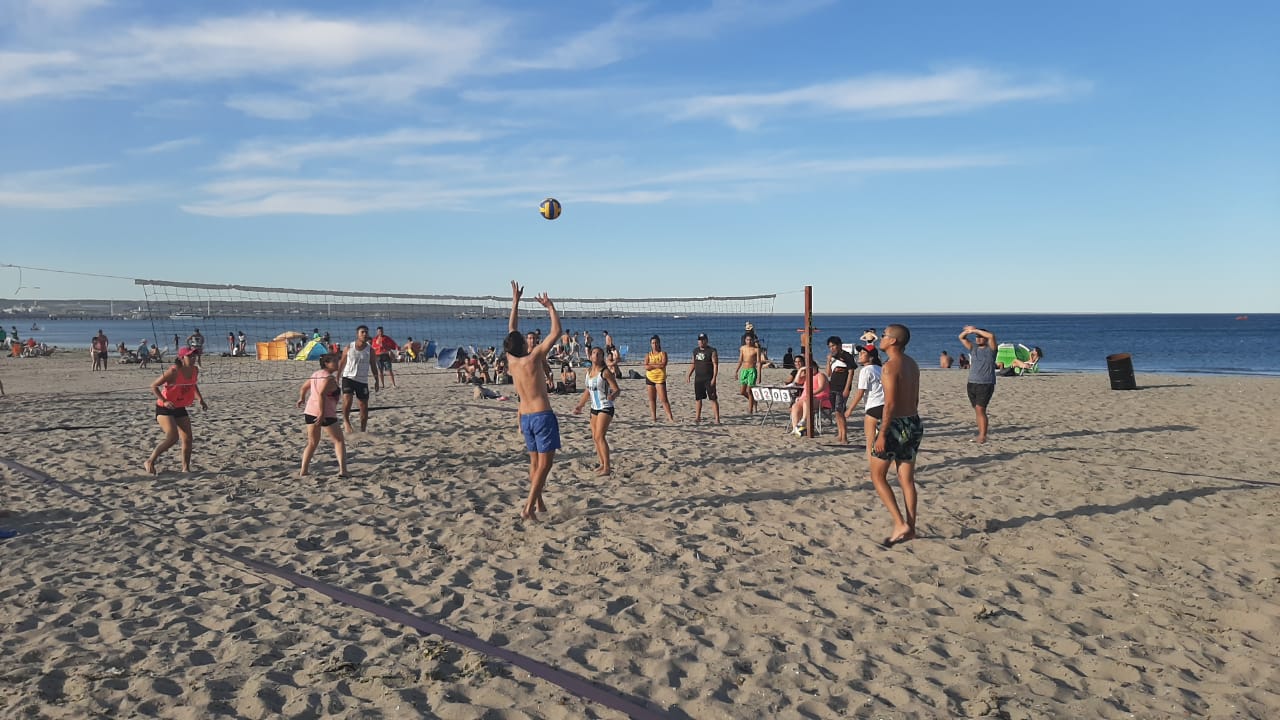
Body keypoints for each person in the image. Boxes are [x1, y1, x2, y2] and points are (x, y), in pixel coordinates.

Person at [505, 281, 562, 521]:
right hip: (541, 416)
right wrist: (550, 307)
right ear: (524, 344)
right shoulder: (534, 358)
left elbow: (511, 329)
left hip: (525, 417)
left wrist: (515, 301)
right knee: (545, 466)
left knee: (534, 462)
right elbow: (556, 333)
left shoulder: (511, 361)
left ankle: (538, 504)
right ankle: (528, 507)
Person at [870, 324, 923, 547]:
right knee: (906, 479)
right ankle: (911, 527)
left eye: (883, 335)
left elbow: (889, 404)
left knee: (877, 476)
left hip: (894, 424)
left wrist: (882, 433)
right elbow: (915, 398)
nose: (880, 338)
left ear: (893, 341)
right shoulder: (912, 363)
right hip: (913, 421)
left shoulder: (890, 366)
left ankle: (900, 523)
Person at [144, 346, 208, 474]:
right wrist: (165, 401)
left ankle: (186, 469)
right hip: (164, 408)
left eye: (194, 355)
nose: (193, 358)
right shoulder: (173, 371)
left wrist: (200, 399)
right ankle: (150, 460)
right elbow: (154, 386)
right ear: (182, 358)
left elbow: (193, 384)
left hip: (179, 407)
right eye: (189, 356)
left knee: (188, 438)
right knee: (173, 437)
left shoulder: (195, 370)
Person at [297, 353, 348, 478]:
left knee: (312, 443)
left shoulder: (316, 374)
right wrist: (322, 413)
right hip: (325, 414)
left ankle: (304, 470)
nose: (337, 363)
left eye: (337, 360)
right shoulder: (329, 378)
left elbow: (304, 388)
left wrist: (302, 399)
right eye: (334, 361)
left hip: (309, 412)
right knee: (339, 440)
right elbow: (321, 394)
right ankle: (343, 471)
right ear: (326, 363)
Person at [573, 346, 621, 476]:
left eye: (599, 354)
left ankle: (607, 467)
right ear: (590, 356)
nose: (596, 355)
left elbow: (617, 389)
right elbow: (587, 391)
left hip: (605, 407)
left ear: (602, 358)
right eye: (594, 353)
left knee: (600, 436)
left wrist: (613, 395)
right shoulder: (589, 372)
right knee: (595, 437)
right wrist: (580, 405)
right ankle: (602, 464)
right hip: (594, 407)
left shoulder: (605, 372)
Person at [958, 326, 997, 443]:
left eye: (981, 337)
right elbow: (961, 337)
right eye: (976, 337)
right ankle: (981, 433)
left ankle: (982, 436)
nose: (978, 339)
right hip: (972, 382)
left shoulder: (991, 349)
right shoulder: (973, 348)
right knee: (977, 410)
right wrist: (968, 331)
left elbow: (991, 336)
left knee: (980, 409)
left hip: (985, 383)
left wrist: (975, 331)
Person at [846, 344, 885, 461]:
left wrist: (849, 410)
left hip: (874, 407)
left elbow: (860, 392)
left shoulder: (866, 370)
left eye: (863, 353)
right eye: (860, 353)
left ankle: (873, 469)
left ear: (871, 357)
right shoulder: (881, 369)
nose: (860, 355)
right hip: (887, 406)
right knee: (884, 441)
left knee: (870, 442)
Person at [339, 325, 374, 433]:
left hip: (362, 380)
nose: (365, 334)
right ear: (357, 334)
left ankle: (363, 430)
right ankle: (346, 421)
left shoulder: (370, 349)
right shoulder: (349, 347)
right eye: (362, 332)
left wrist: (377, 380)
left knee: (363, 406)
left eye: (366, 332)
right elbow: (342, 362)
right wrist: (337, 376)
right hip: (348, 377)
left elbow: (373, 365)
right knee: (347, 399)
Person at [826, 336, 856, 444]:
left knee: (840, 411)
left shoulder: (846, 356)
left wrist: (847, 388)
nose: (832, 348)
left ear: (839, 345)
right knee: (836, 412)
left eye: (833, 346)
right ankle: (840, 433)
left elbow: (851, 372)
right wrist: (828, 361)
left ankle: (844, 437)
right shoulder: (833, 357)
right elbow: (828, 373)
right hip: (832, 386)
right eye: (830, 346)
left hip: (842, 387)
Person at [686, 333, 720, 424]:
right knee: (698, 398)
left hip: (708, 378)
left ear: (706, 340)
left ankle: (717, 419)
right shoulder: (695, 351)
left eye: (703, 340)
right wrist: (689, 374)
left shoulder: (712, 351)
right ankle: (698, 417)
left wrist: (714, 378)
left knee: (713, 398)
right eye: (699, 340)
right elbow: (693, 363)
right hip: (698, 378)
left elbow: (715, 365)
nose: (701, 341)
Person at [788, 359, 828, 436]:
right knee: (795, 406)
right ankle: (795, 428)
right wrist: (800, 370)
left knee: (807, 401)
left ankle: (803, 420)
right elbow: (797, 382)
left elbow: (822, 387)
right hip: (806, 398)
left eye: (812, 367)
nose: (811, 369)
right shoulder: (807, 376)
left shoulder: (820, 375)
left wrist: (811, 394)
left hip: (818, 397)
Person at [644, 335, 675, 422]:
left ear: (659, 343)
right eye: (653, 343)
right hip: (650, 378)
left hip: (660, 379)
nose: (655, 345)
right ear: (651, 344)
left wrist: (652, 365)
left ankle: (670, 418)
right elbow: (646, 367)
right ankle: (654, 418)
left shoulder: (663, 353)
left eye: (656, 343)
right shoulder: (648, 355)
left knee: (664, 399)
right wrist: (656, 365)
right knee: (652, 399)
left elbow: (663, 365)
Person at [736, 334, 763, 414]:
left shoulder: (756, 349)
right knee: (742, 391)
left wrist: (759, 375)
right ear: (745, 340)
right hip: (744, 370)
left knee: (749, 391)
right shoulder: (742, 348)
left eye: (750, 340)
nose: (749, 341)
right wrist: (736, 371)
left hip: (752, 370)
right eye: (747, 340)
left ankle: (750, 409)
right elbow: (740, 360)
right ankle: (754, 401)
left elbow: (758, 362)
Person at [371, 326, 399, 391]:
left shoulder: (386, 338)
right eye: (379, 331)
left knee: (389, 370)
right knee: (380, 371)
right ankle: (383, 385)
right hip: (378, 356)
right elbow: (372, 348)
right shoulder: (375, 339)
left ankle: (393, 384)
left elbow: (394, 344)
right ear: (377, 332)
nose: (380, 332)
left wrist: (397, 348)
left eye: (381, 331)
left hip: (385, 356)